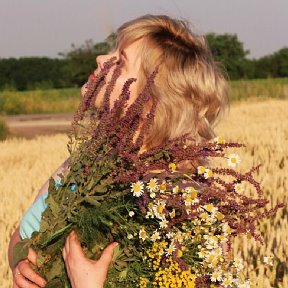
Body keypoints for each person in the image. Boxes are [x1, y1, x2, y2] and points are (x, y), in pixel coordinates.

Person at [8, 14, 228, 287]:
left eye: (121, 60)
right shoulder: (83, 163)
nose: (101, 59)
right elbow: (21, 235)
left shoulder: (181, 203)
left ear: (152, 99)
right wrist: (19, 262)